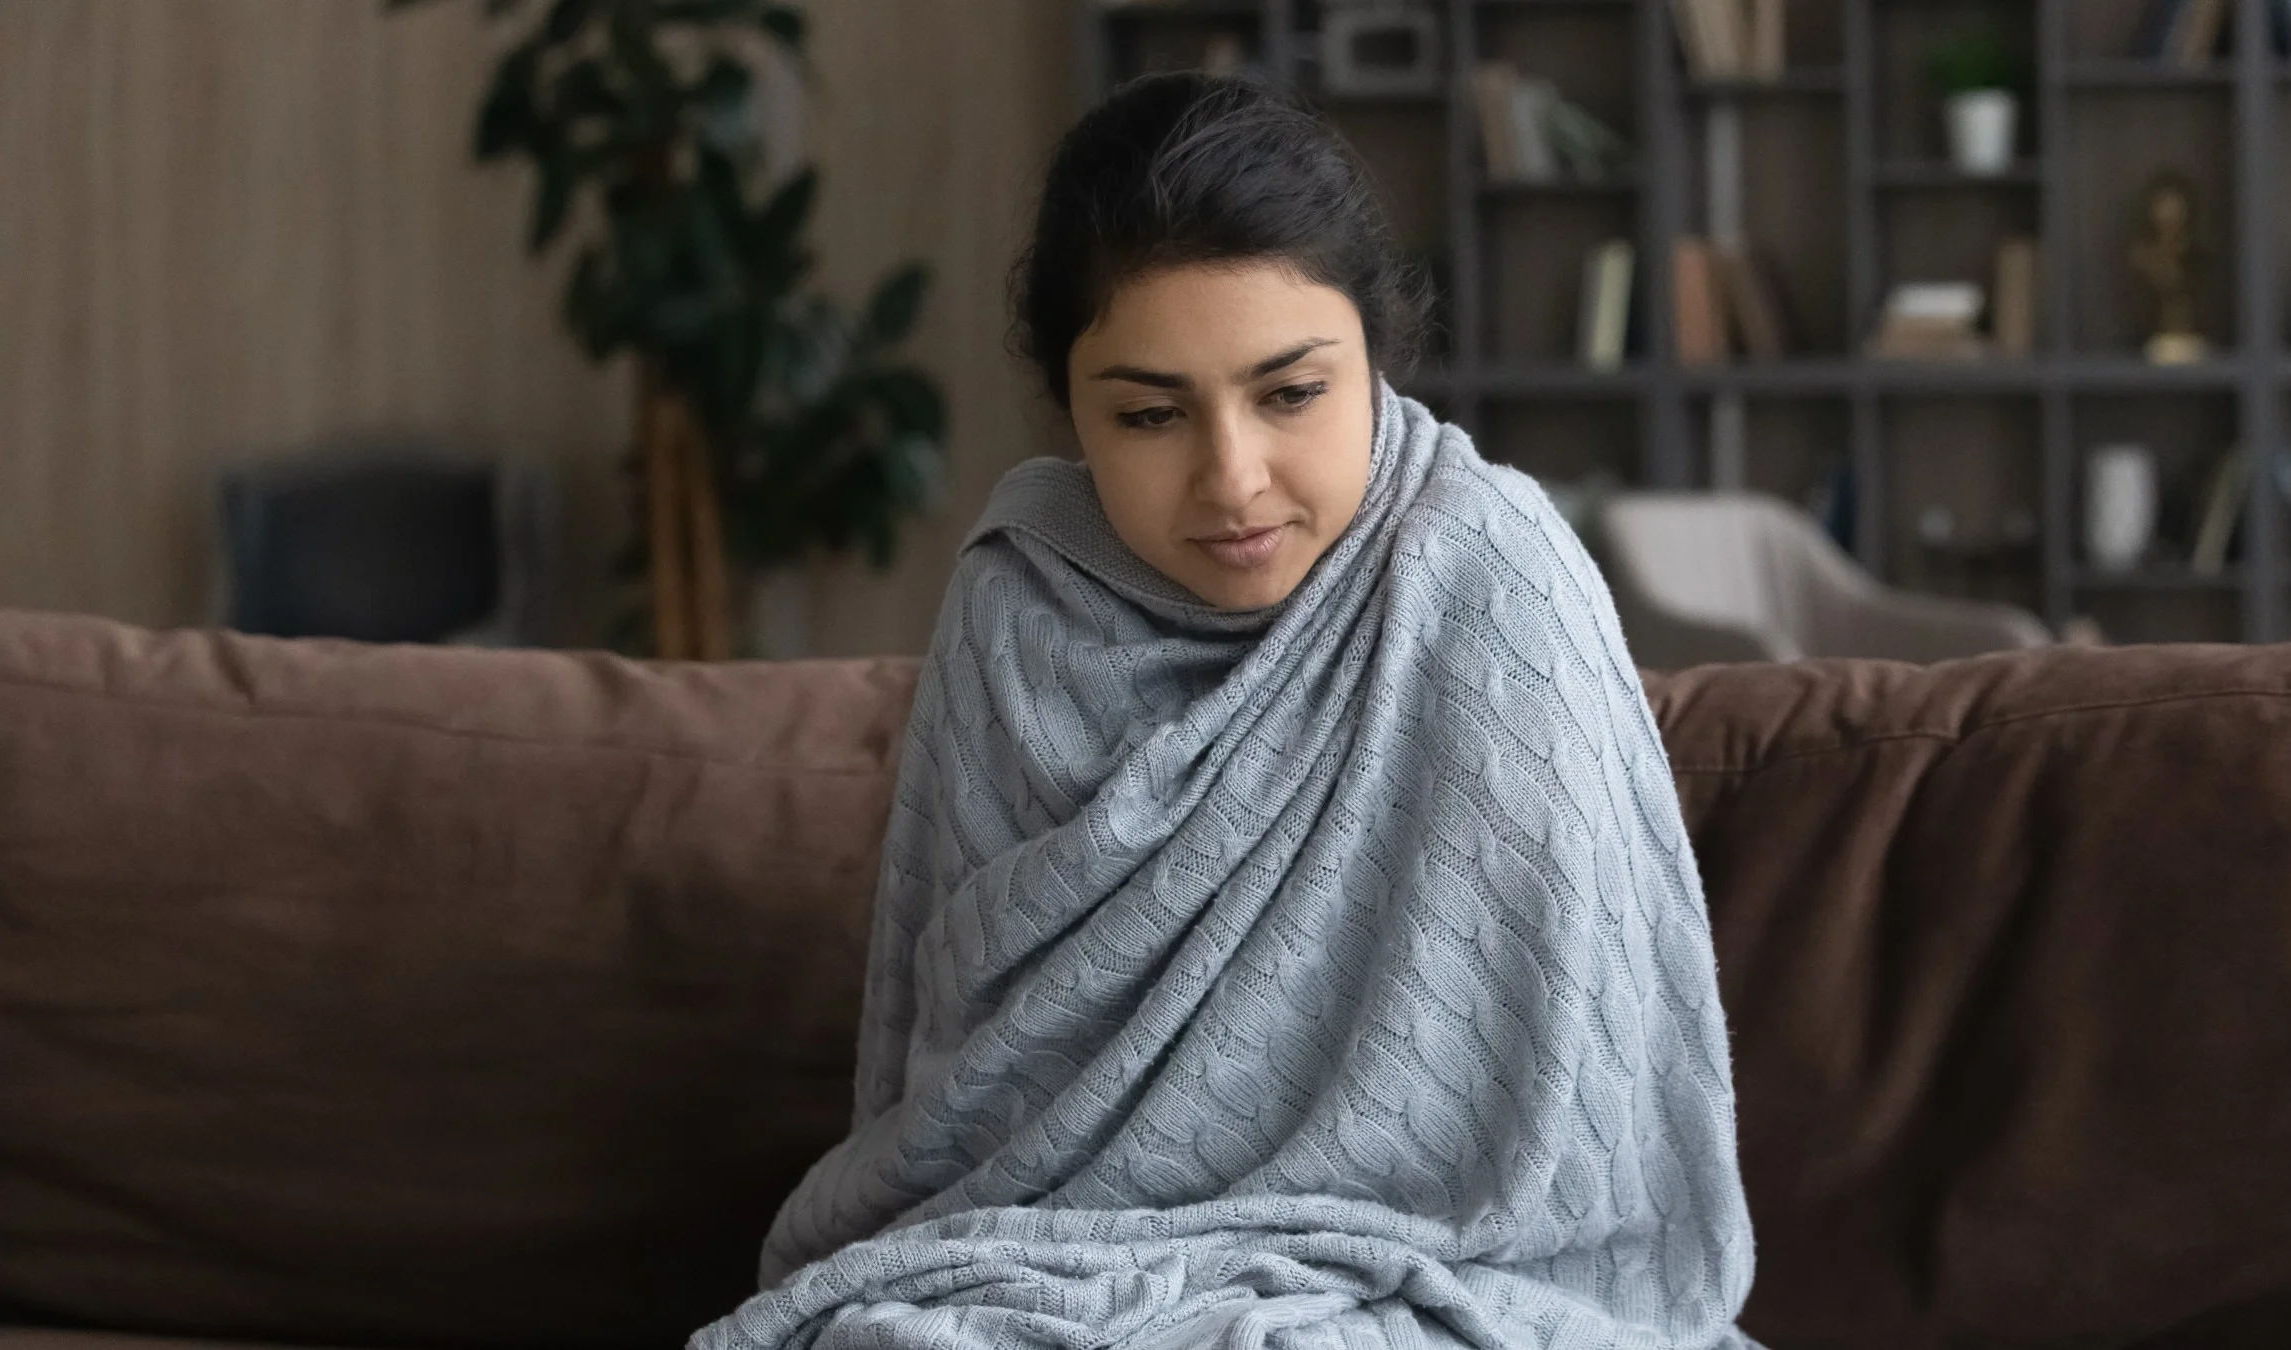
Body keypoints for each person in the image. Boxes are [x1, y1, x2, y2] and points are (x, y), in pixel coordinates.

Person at [693, 71, 1761, 1350]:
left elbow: (1568, 1138)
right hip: (1018, 1258)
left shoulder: (1491, 577)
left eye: (1293, 394)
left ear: (1378, 356)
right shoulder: (1020, 598)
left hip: (1423, 1288)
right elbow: (955, 1082)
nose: (1233, 480)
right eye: (1148, 414)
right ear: (1068, 410)